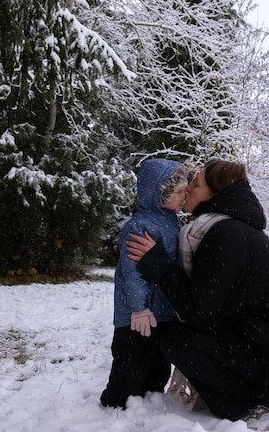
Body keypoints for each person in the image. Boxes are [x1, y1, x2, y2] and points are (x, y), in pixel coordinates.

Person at [126, 158, 269, 430]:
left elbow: (198, 313)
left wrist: (159, 265)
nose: (188, 188)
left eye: (196, 183)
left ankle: (250, 405)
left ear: (214, 194)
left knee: (176, 339)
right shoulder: (230, 228)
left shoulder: (228, 235)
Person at [100, 157, 199, 410]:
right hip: (137, 315)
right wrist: (138, 307)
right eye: (177, 192)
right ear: (158, 194)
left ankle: (150, 399)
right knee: (131, 360)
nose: (183, 196)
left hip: (163, 311)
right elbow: (132, 272)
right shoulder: (141, 225)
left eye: (184, 190)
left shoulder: (172, 222)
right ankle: (116, 403)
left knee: (157, 363)